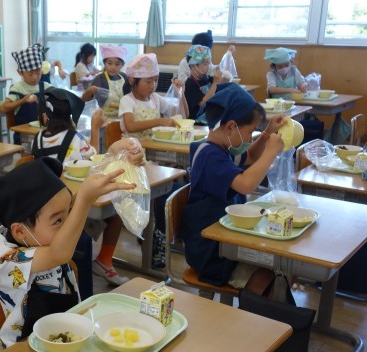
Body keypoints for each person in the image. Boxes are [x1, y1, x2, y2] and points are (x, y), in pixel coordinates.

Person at [0, 157, 136, 347]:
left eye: (68, 213)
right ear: (20, 231)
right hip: (25, 349)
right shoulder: (1, 257)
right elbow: (58, 254)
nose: (67, 225)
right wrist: (84, 200)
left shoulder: (39, 236)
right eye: (58, 221)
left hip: (67, 335)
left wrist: (113, 159)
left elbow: (73, 207)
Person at [31, 87, 145, 288]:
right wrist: (95, 129)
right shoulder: (75, 138)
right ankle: (103, 259)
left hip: (45, 201)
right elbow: (94, 160)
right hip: (69, 201)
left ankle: (93, 251)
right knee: (115, 209)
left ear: (45, 117)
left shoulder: (38, 138)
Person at [182, 83, 287, 296]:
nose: (249, 139)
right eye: (249, 132)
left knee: (281, 267)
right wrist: (271, 152)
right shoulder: (210, 156)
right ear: (230, 127)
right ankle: (255, 312)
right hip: (211, 251)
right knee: (272, 275)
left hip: (226, 237)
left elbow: (250, 157)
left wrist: (267, 133)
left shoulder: (222, 148)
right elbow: (246, 184)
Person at [119, 53, 187, 139]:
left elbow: (183, 114)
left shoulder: (155, 98)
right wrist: (159, 121)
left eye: (156, 80)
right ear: (132, 80)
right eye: (148, 81)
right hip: (132, 145)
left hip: (152, 145)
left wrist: (181, 93)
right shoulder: (127, 100)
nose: (153, 85)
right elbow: (130, 126)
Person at [1, 44, 51, 144]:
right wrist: (23, 100)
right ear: (20, 72)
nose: (35, 77)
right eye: (30, 74)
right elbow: (3, 108)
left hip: (43, 132)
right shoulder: (18, 88)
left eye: (38, 73)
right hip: (24, 136)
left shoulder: (46, 86)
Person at [81, 45, 131, 117]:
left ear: (122, 65)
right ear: (104, 63)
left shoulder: (124, 77)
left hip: (121, 116)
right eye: (109, 63)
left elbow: (129, 96)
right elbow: (86, 99)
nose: (113, 67)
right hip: (103, 117)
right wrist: (89, 91)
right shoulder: (100, 79)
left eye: (117, 64)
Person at [184, 45, 223, 121]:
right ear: (193, 66)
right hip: (196, 122)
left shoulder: (206, 78)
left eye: (209, 64)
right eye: (205, 64)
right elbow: (203, 103)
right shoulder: (189, 84)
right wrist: (215, 83)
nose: (208, 67)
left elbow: (220, 83)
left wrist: (221, 76)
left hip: (208, 118)